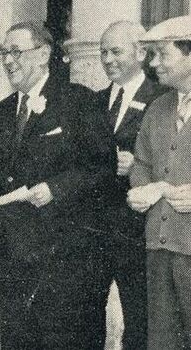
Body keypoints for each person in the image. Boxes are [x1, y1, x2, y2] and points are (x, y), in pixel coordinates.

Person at [0, 21, 116, 349]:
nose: (8, 60)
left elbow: (103, 168)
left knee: (64, 340)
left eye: (16, 52)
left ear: (43, 54)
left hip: (66, 255)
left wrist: (57, 188)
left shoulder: (79, 102)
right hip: (12, 251)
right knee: (18, 339)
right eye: (4, 52)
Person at [94, 20, 168, 350]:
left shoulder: (163, 99)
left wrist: (135, 167)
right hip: (94, 231)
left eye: (116, 51)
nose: (108, 59)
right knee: (85, 316)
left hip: (137, 232)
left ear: (140, 53)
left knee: (140, 321)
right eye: (103, 52)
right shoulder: (93, 103)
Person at [129, 14, 191, 350]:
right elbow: (142, 162)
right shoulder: (159, 107)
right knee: (163, 342)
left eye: (163, 55)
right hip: (159, 248)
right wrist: (142, 189)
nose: (154, 64)